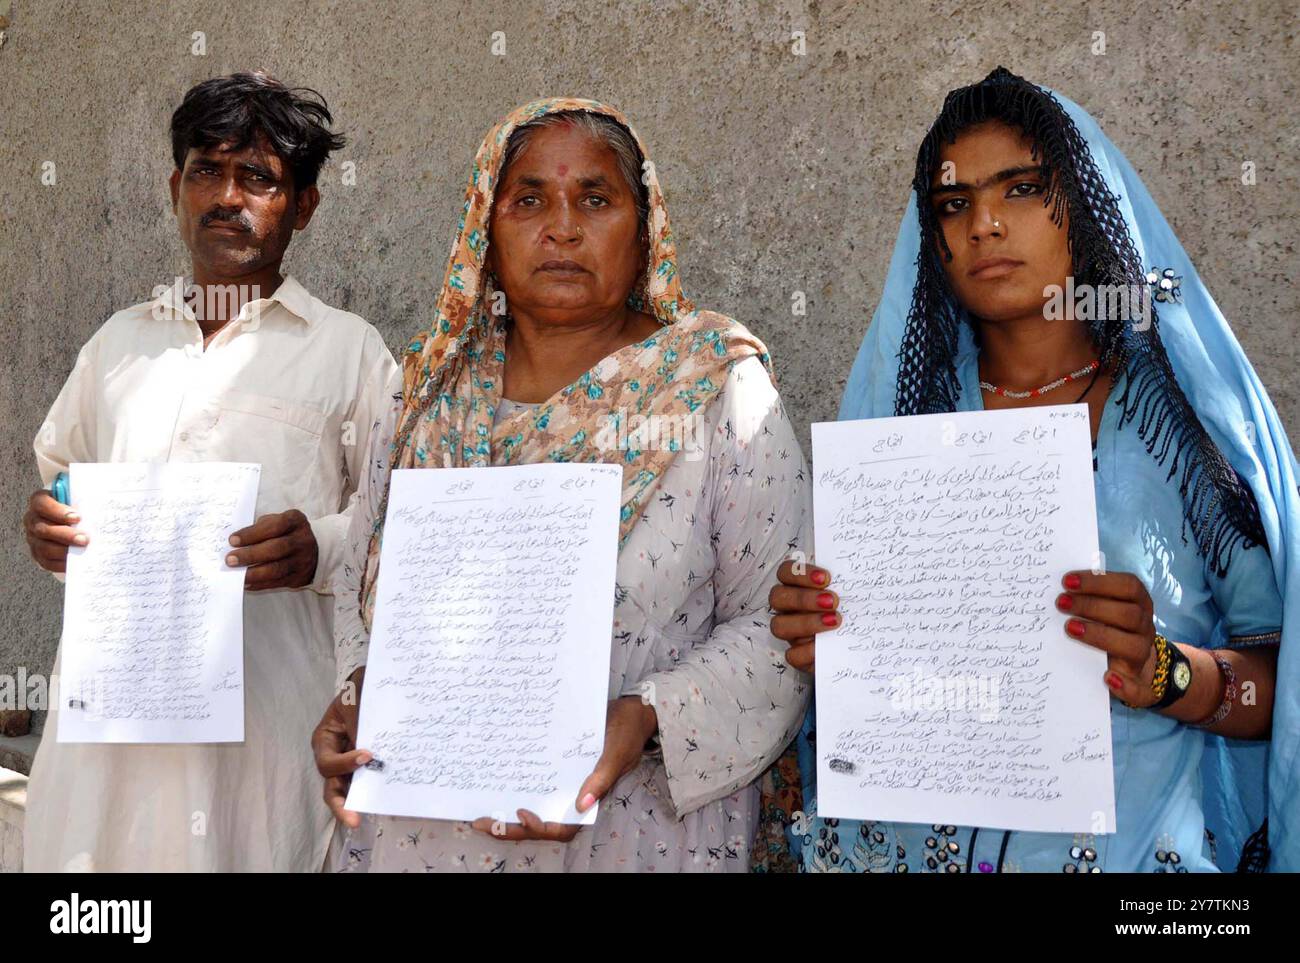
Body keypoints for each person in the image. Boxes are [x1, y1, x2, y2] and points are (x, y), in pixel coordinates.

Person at [769, 67, 1298, 872]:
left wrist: (1164, 670)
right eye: (954, 202)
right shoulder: (898, 427)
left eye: (1020, 189)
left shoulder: (1181, 427)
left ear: (1087, 203)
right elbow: (863, 679)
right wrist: (823, 636)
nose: (983, 223)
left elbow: (1277, 682)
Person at [312, 98, 810, 872]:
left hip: (633, 828)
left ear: (645, 233)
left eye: (597, 199)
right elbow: (358, 583)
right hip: (421, 827)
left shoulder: (716, 388)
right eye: (530, 199)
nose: (564, 227)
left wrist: (648, 715)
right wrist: (357, 692)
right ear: (487, 226)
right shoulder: (423, 392)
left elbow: (776, 621)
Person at [22, 72, 398, 871]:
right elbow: (61, 481)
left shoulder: (350, 352)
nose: (227, 197)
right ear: (174, 188)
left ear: (303, 205)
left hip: (258, 748)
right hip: (105, 743)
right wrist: (49, 527)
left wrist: (321, 548)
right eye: (207, 170)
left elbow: (399, 526)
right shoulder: (117, 345)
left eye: (258, 177)